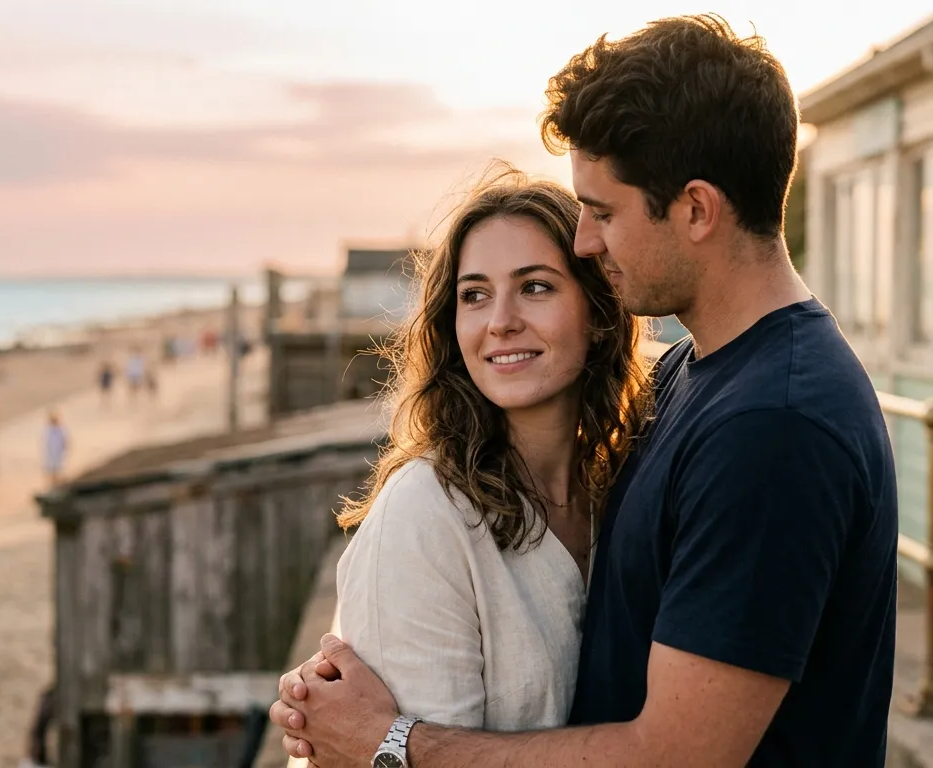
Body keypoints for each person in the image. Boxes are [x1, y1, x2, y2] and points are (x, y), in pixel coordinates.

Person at [272, 14, 899, 768]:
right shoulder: (686, 378)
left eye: (603, 212)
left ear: (697, 209)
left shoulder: (774, 424)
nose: (586, 240)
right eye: (474, 295)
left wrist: (391, 743)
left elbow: (675, 758)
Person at [305, 164, 650, 746]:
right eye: (475, 295)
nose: (500, 322)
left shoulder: (619, 484)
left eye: (535, 287)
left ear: (598, 312)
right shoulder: (424, 515)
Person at [43, 410, 69, 488]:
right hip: (52, 452)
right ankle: (53, 483)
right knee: (52, 468)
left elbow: (64, 439)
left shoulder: (60, 429)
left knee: (57, 467)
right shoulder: (49, 430)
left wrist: (65, 447)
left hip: (58, 451)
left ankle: (56, 482)